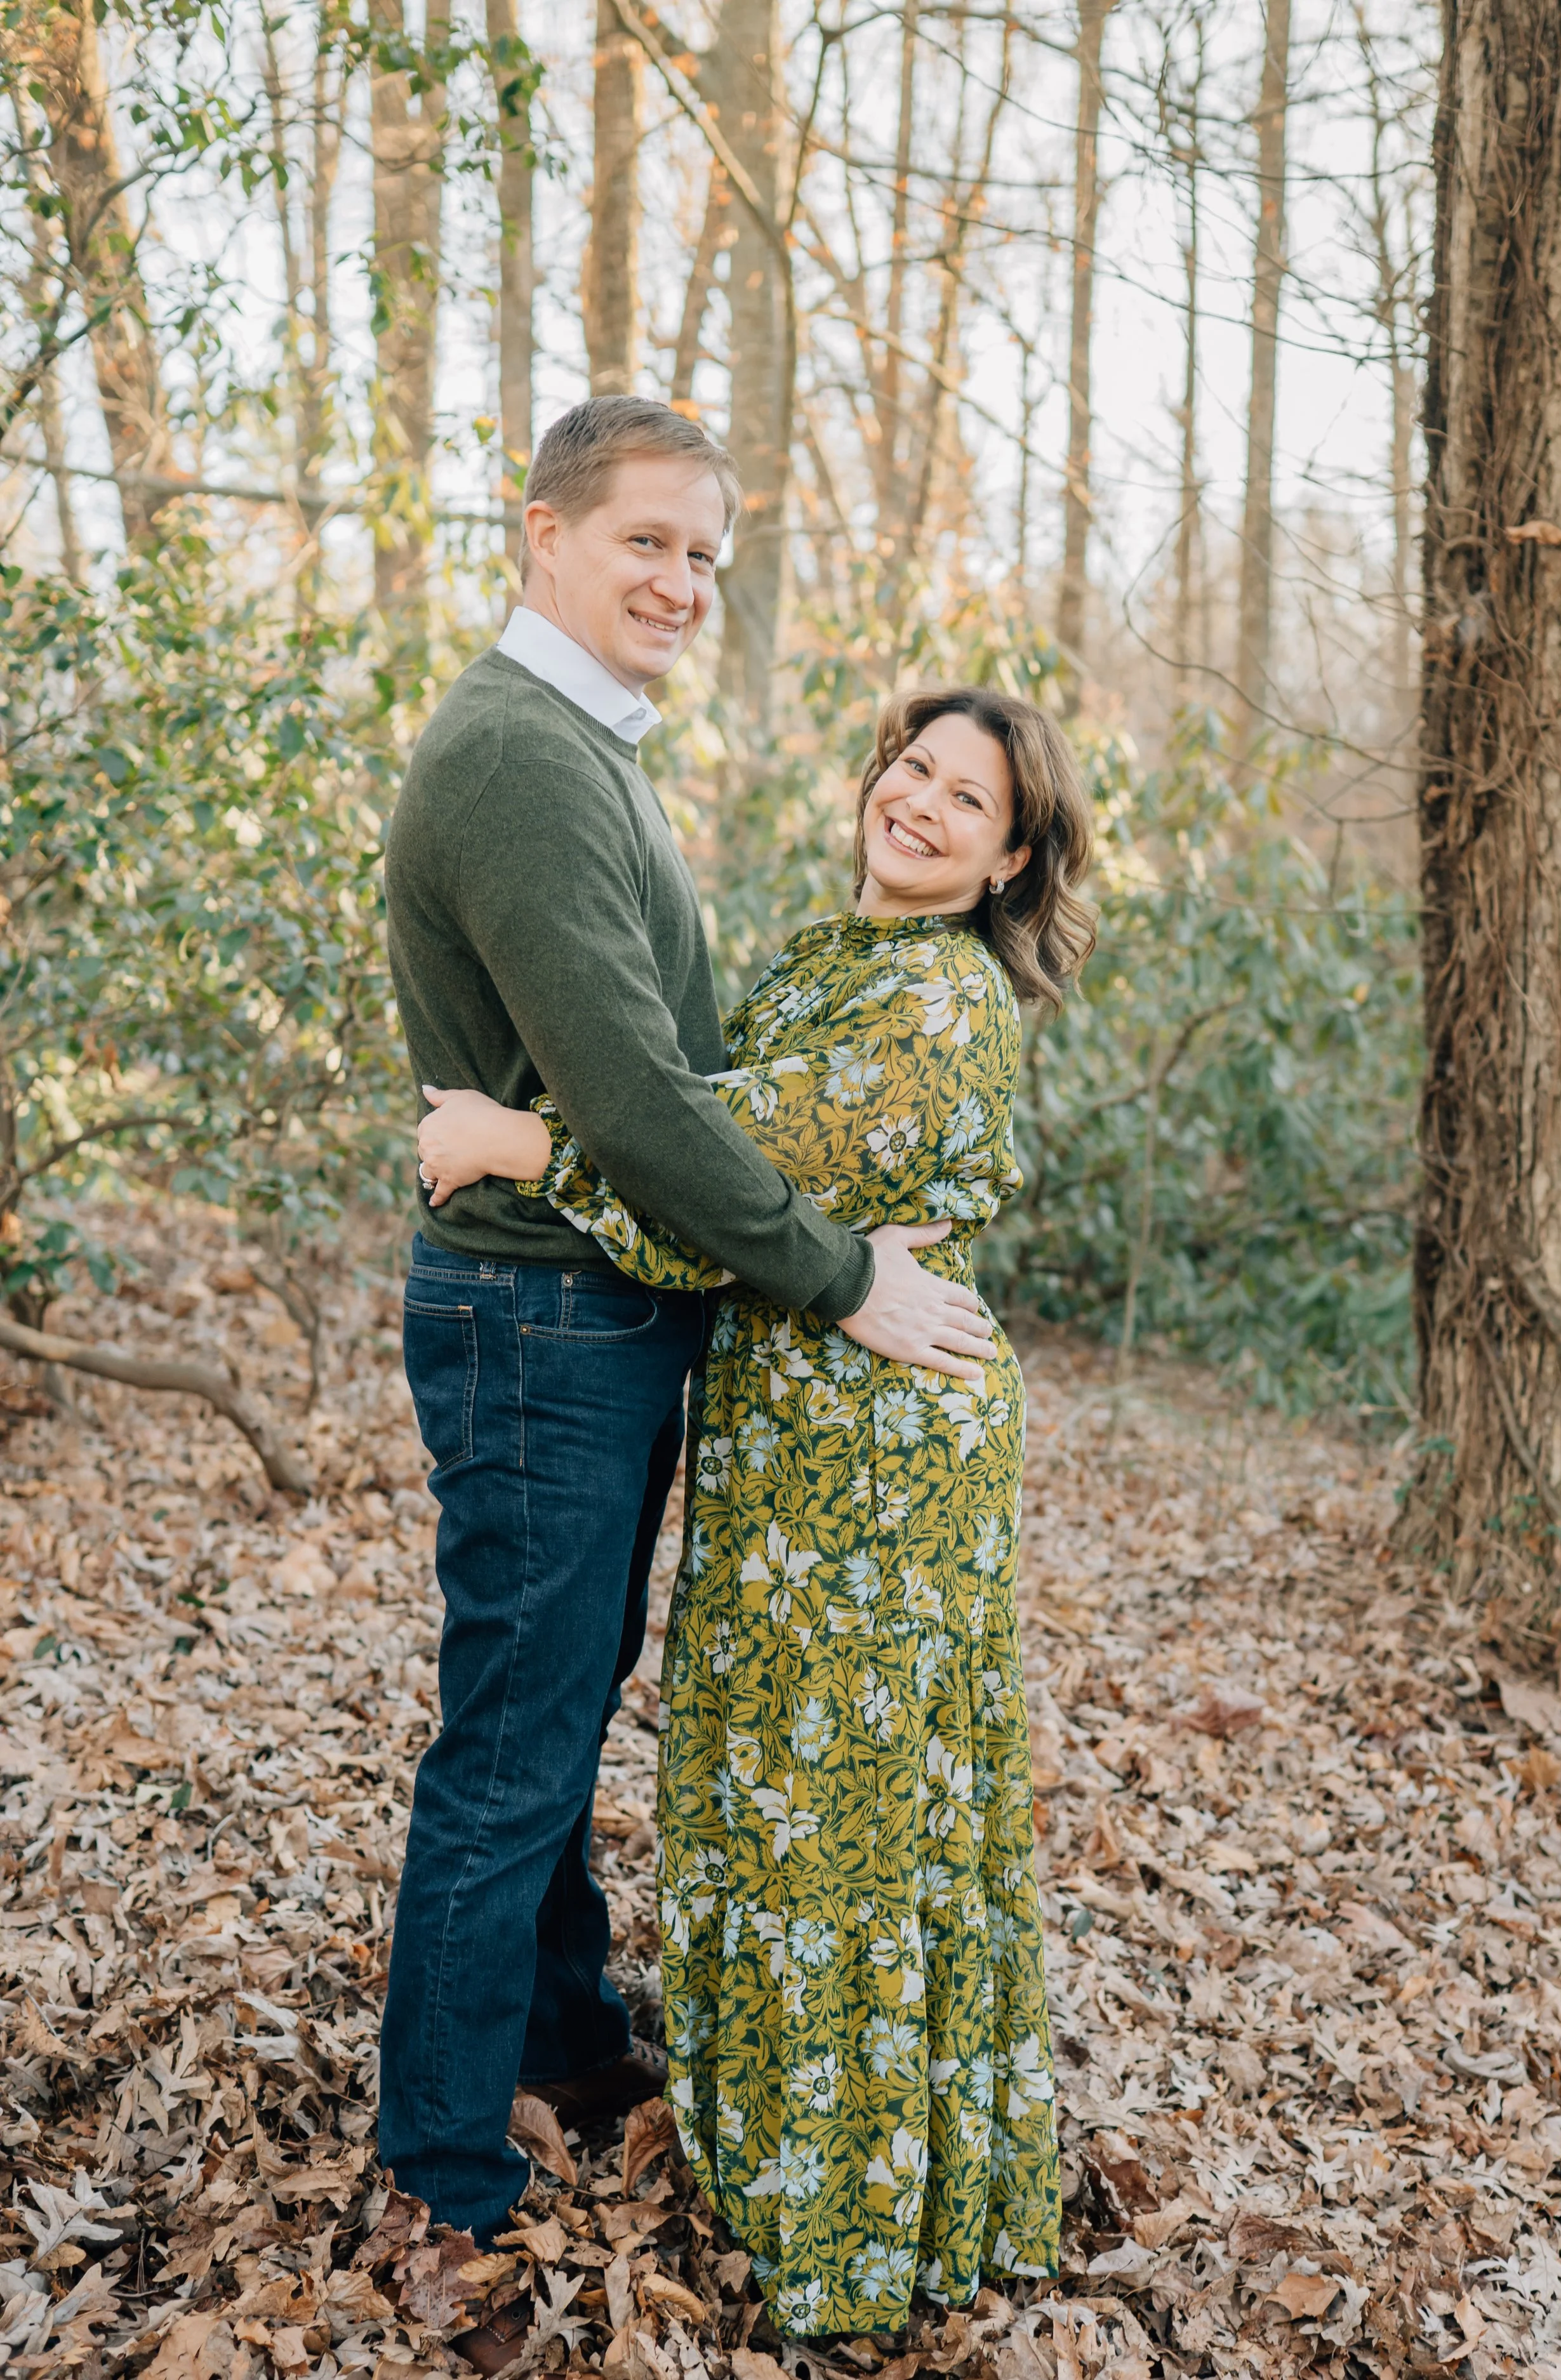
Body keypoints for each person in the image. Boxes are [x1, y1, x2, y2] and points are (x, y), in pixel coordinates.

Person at [380, 396, 995, 2258]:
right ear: (539, 533)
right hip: (538, 1314)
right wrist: (835, 1273)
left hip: (597, 1308)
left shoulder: (586, 744)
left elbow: (694, 1084)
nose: (680, 580)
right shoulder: (515, 757)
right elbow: (648, 1101)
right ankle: (442, 2163)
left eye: (706, 554)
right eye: (648, 539)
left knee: (557, 1707)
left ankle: (564, 2038)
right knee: (512, 1739)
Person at [415, 684, 1096, 2341]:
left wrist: (515, 1135)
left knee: (845, 1806)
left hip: (878, 1456)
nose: (922, 803)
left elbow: (721, 1154)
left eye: (967, 799)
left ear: (1009, 858)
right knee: (781, 1783)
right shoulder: (825, 960)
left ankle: (851, 2228)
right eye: (910, 767)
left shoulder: (940, 1005)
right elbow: (721, 1149)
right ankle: (782, 2130)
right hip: (799, 1430)